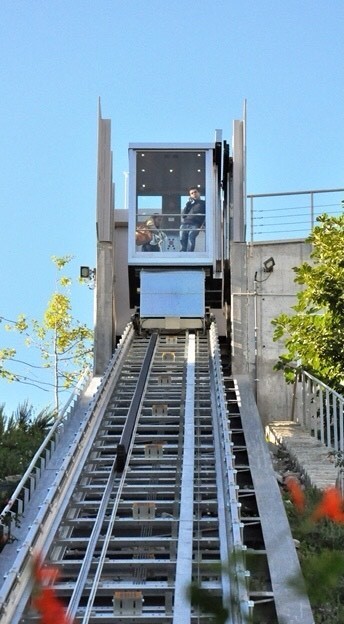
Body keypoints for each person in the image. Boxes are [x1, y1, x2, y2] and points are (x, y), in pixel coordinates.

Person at [180, 187, 205, 252]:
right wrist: (188, 203)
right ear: (190, 195)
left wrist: (203, 225)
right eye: (192, 193)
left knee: (191, 240)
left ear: (199, 193)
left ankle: (190, 254)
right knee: (182, 239)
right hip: (185, 224)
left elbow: (207, 215)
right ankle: (183, 254)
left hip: (195, 224)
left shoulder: (204, 203)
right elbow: (183, 215)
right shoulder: (190, 204)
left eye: (195, 192)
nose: (194, 194)